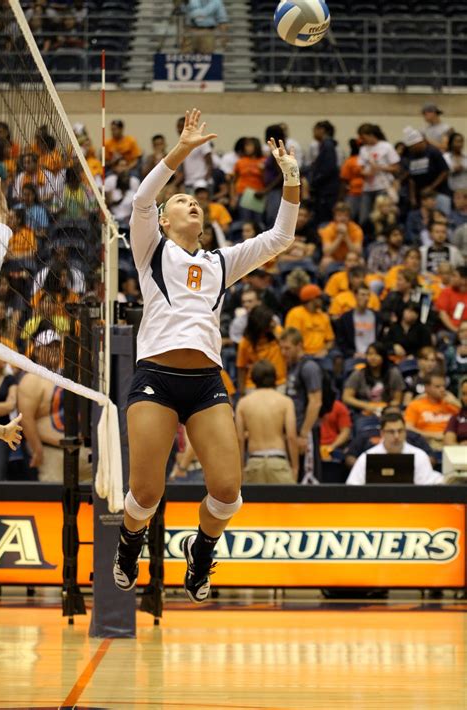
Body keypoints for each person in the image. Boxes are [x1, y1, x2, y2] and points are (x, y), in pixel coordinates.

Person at [113, 109, 300, 600]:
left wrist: (292, 181)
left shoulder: (221, 262)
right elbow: (140, 198)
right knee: (147, 494)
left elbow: (281, 238)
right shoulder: (150, 247)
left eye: (195, 201)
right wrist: (182, 150)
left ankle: (201, 554)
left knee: (227, 492)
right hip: (155, 375)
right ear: (163, 218)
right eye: (181, 200)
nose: (190, 204)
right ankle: (130, 541)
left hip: (205, 384)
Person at [18, 329, 92, 482]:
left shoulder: (72, 376)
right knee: (54, 500)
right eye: (48, 347)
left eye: (56, 347)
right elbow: (26, 419)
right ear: (37, 351)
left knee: (92, 501)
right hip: (51, 452)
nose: (53, 351)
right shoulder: (32, 379)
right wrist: (37, 449)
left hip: (83, 452)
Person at [235, 360, 298, 483]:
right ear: (275, 377)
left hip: (254, 461)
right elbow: (291, 436)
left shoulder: (243, 403)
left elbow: (240, 438)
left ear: (253, 378)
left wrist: (240, 468)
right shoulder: (285, 402)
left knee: (253, 502)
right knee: (286, 502)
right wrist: (295, 467)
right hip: (278, 460)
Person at [346, 411, 443, 485]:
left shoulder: (419, 456)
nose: (396, 436)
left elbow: (427, 488)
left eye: (400, 431)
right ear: (382, 433)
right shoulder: (367, 457)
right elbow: (353, 486)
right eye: (391, 432)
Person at [279, 327, 323, 484]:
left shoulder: (309, 367)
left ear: (299, 346)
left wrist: (304, 434)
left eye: (287, 348)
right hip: (295, 429)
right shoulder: (291, 367)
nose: (284, 352)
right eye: (282, 348)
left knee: (308, 479)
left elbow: (316, 402)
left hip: (307, 432)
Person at [342, 341, 404, 418]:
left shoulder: (394, 373)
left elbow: (397, 400)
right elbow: (346, 397)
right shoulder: (358, 373)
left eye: (377, 354)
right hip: (364, 412)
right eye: (370, 354)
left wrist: (385, 408)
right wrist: (366, 406)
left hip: (387, 412)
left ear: (383, 357)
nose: (373, 357)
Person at [404, 371, 460, 451]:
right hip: (426, 445)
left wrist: (456, 403)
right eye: (437, 387)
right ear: (427, 387)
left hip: (452, 445)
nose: (442, 389)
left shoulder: (452, 404)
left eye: (444, 386)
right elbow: (408, 428)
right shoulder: (415, 405)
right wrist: (432, 435)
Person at [357, 123, 400, 225]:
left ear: (371, 135)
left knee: (382, 215)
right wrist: (368, 172)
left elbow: (396, 167)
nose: (363, 140)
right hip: (367, 187)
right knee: (364, 217)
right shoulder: (363, 149)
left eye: (364, 137)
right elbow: (361, 169)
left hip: (382, 186)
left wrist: (380, 167)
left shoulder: (386, 146)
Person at [285, 284, 334, 358]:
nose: (322, 300)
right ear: (313, 299)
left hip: (321, 355)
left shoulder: (324, 316)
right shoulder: (295, 314)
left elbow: (330, 340)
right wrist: (301, 353)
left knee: (337, 358)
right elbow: (290, 338)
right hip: (303, 355)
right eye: (320, 298)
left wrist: (324, 350)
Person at [335, 284, 381, 358]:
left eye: (368, 295)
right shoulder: (346, 318)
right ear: (355, 296)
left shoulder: (376, 316)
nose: (366, 298)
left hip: (374, 356)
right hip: (354, 356)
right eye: (362, 295)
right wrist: (352, 353)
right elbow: (341, 341)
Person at [0, 355, 19, 481]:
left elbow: (11, 405)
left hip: (2, 436)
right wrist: (0, 407)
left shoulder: (9, 379)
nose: (4, 360)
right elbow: (6, 405)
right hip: (2, 431)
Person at [435, 265, 467, 335]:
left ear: (464, 280)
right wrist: (456, 331)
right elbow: (442, 314)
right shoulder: (446, 292)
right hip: (450, 330)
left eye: (454, 276)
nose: (451, 278)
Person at [444, 377, 467, 445]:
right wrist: (460, 446)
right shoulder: (457, 417)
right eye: (464, 394)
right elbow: (448, 442)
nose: (466, 398)